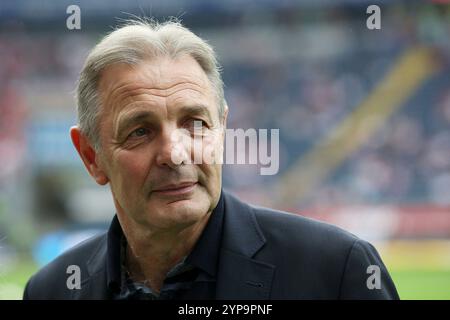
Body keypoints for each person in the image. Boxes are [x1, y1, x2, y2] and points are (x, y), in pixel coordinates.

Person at [23, 19, 399, 300]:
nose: (175, 152)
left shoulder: (336, 272)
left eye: (196, 123)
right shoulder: (51, 292)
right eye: (140, 131)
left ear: (222, 129)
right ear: (91, 156)